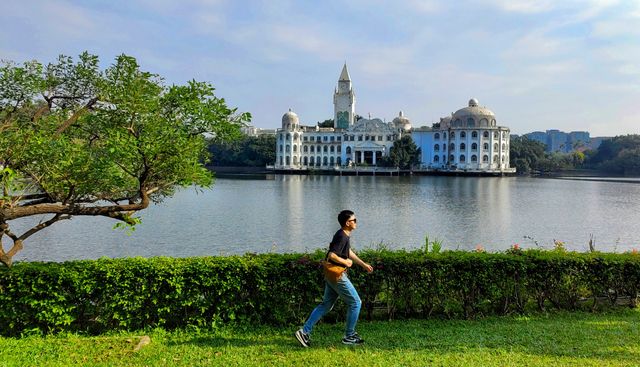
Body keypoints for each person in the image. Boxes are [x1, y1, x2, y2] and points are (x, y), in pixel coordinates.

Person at [295, 210, 374, 347]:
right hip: (337, 275)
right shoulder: (342, 236)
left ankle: (304, 332)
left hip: (331, 274)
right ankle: (349, 336)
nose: (356, 222)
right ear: (347, 223)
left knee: (326, 305)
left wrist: (363, 264)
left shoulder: (343, 235)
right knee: (356, 303)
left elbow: (347, 252)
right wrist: (346, 262)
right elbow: (332, 255)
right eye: (354, 220)